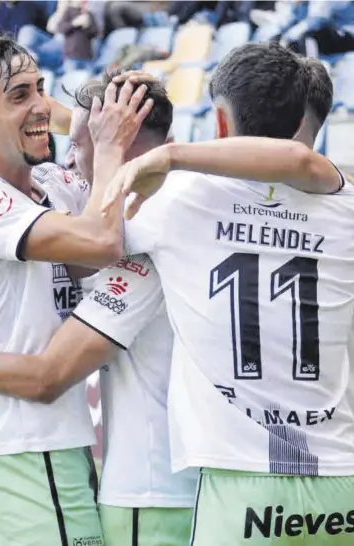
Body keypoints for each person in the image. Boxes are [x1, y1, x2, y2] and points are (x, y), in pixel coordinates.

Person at [0, 64, 344, 546]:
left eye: (82, 144)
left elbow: (47, 376)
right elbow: (301, 163)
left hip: (156, 489)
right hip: (309, 476)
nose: (67, 166)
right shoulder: (328, 212)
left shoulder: (150, 235)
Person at [105, 42, 354, 545]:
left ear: (219, 122)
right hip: (341, 475)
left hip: (239, 476)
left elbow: (87, 248)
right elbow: (304, 164)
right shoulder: (345, 205)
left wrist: (115, 152)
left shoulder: (178, 199)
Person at [0, 34, 153, 546]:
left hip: (57, 439)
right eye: (18, 95)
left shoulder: (51, 179)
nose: (40, 106)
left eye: (40, 89)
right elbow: (100, 241)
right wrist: (111, 144)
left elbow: (121, 220)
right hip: (24, 442)